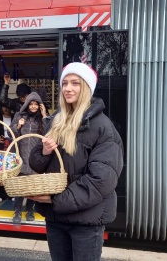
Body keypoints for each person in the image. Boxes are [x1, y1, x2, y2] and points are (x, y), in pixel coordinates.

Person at [28, 62, 124, 261]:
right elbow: (36, 163)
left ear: (86, 88)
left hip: (86, 222)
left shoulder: (103, 127)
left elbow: (101, 181)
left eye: (75, 83)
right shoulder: (57, 120)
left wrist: (55, 199)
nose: (68, 88)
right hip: (56, 219)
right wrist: (45, 152)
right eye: (64, 83)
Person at [10, 92, 48, 223]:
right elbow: (11, 133)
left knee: (32, 186)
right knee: (20, 186)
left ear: (39, 106)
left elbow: (49, 133)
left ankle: (30, 210)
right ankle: (17, 211)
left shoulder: (42, 119)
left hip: (35, 158)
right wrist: (18, 125)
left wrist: (44, 116)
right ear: (26, 105)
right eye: (30, 104)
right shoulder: (19, 116)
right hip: (21, 156)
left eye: (35, 104)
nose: (33, 107)